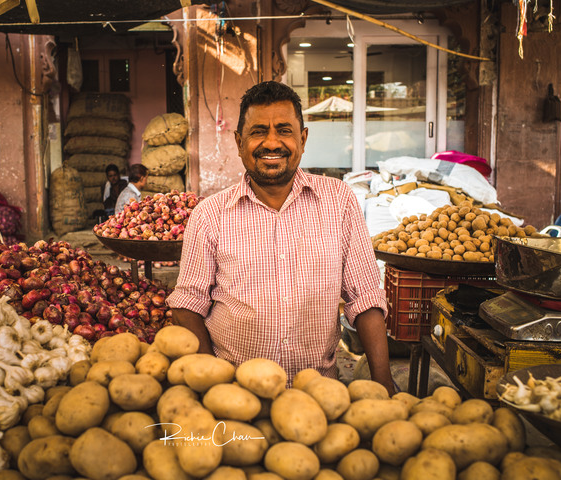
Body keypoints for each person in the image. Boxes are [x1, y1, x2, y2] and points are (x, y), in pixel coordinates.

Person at [166, 81, 396, 394]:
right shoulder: (210, 215)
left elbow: (366, 297)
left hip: (318, 393)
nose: (271, 142)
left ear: (302, 139)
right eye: (258, 131)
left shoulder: (339, 200)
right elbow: (187, 305)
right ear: (239, 141)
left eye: (284, 130)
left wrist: (384, 383)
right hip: (236, 393)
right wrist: (213, 380)